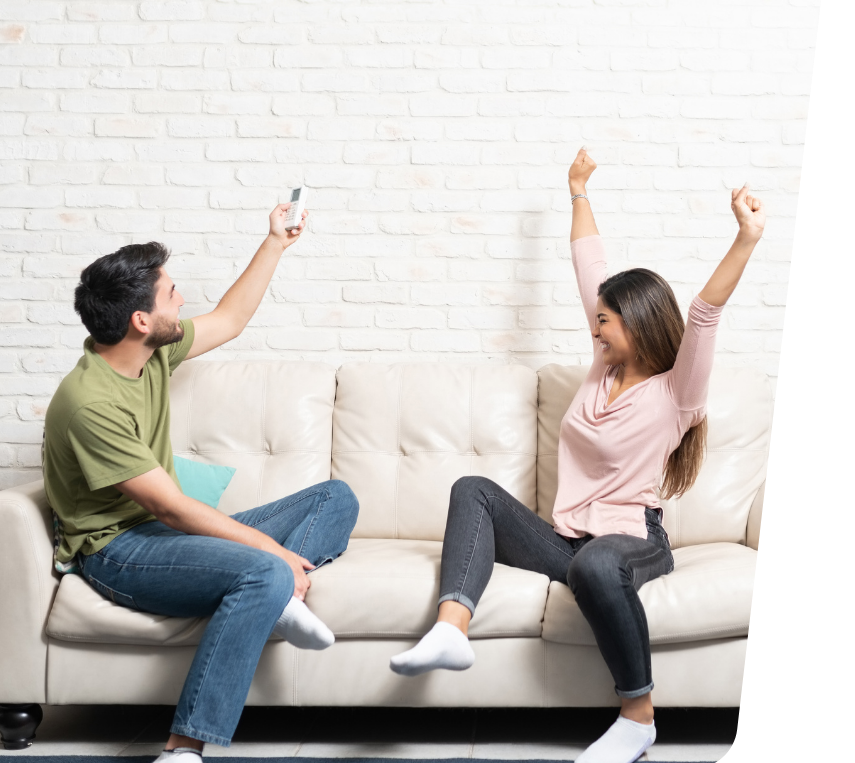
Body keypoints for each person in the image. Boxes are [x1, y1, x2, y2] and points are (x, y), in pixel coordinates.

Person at [388, 148, 765, 763]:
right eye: (596, 319)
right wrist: (578, 191)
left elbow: (703, 314)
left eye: (606, 321)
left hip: (630, 539)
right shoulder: (602, 367)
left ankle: (638, 717)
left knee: (595, 568)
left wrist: (745, 236)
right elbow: (589, 265)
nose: (595, 328)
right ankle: (450, 630)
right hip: (567, 540)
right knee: (472, 488)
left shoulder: (677, 392)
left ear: (637, 325)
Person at [43, 203, 359, 760]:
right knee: (264, 569)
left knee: (336, 497)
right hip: (118, 550)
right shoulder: (89, 403)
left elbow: (230, 319)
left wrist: (275, 242)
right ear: (141, 320)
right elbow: (171, 509)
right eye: (171, 293)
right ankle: (183, 748)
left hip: (163, 536)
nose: (182, 301)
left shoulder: (150, 356)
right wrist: (274, 557)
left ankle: (274, 594)